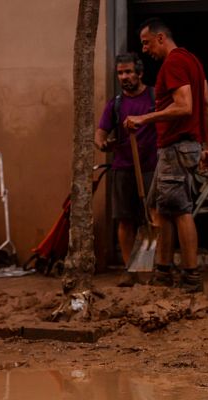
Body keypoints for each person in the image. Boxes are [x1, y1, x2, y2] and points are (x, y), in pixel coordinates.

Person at [124, 18, 208, 293]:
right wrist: (207, 146)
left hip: (176, 147)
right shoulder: (193, 62)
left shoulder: (173, 63)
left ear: (161, 38)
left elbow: (185, 106)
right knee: (157, 206)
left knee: (179, 210)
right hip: (188, 146)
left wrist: (144, 118)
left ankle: (190, 276)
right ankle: (163, 270)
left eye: (146, 42)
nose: (144, 49)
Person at [94, 53, 157, 287]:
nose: (124, 77)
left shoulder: (153, 96)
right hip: (122, 168)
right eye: (120, 73)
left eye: (129, 72)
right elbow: (100, 132)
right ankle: (129, 269)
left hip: (150, 167)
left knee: (150, 220)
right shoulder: (116, 104)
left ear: (140, 73)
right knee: (125, 220)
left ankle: (146, 268)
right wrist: (101, 143)